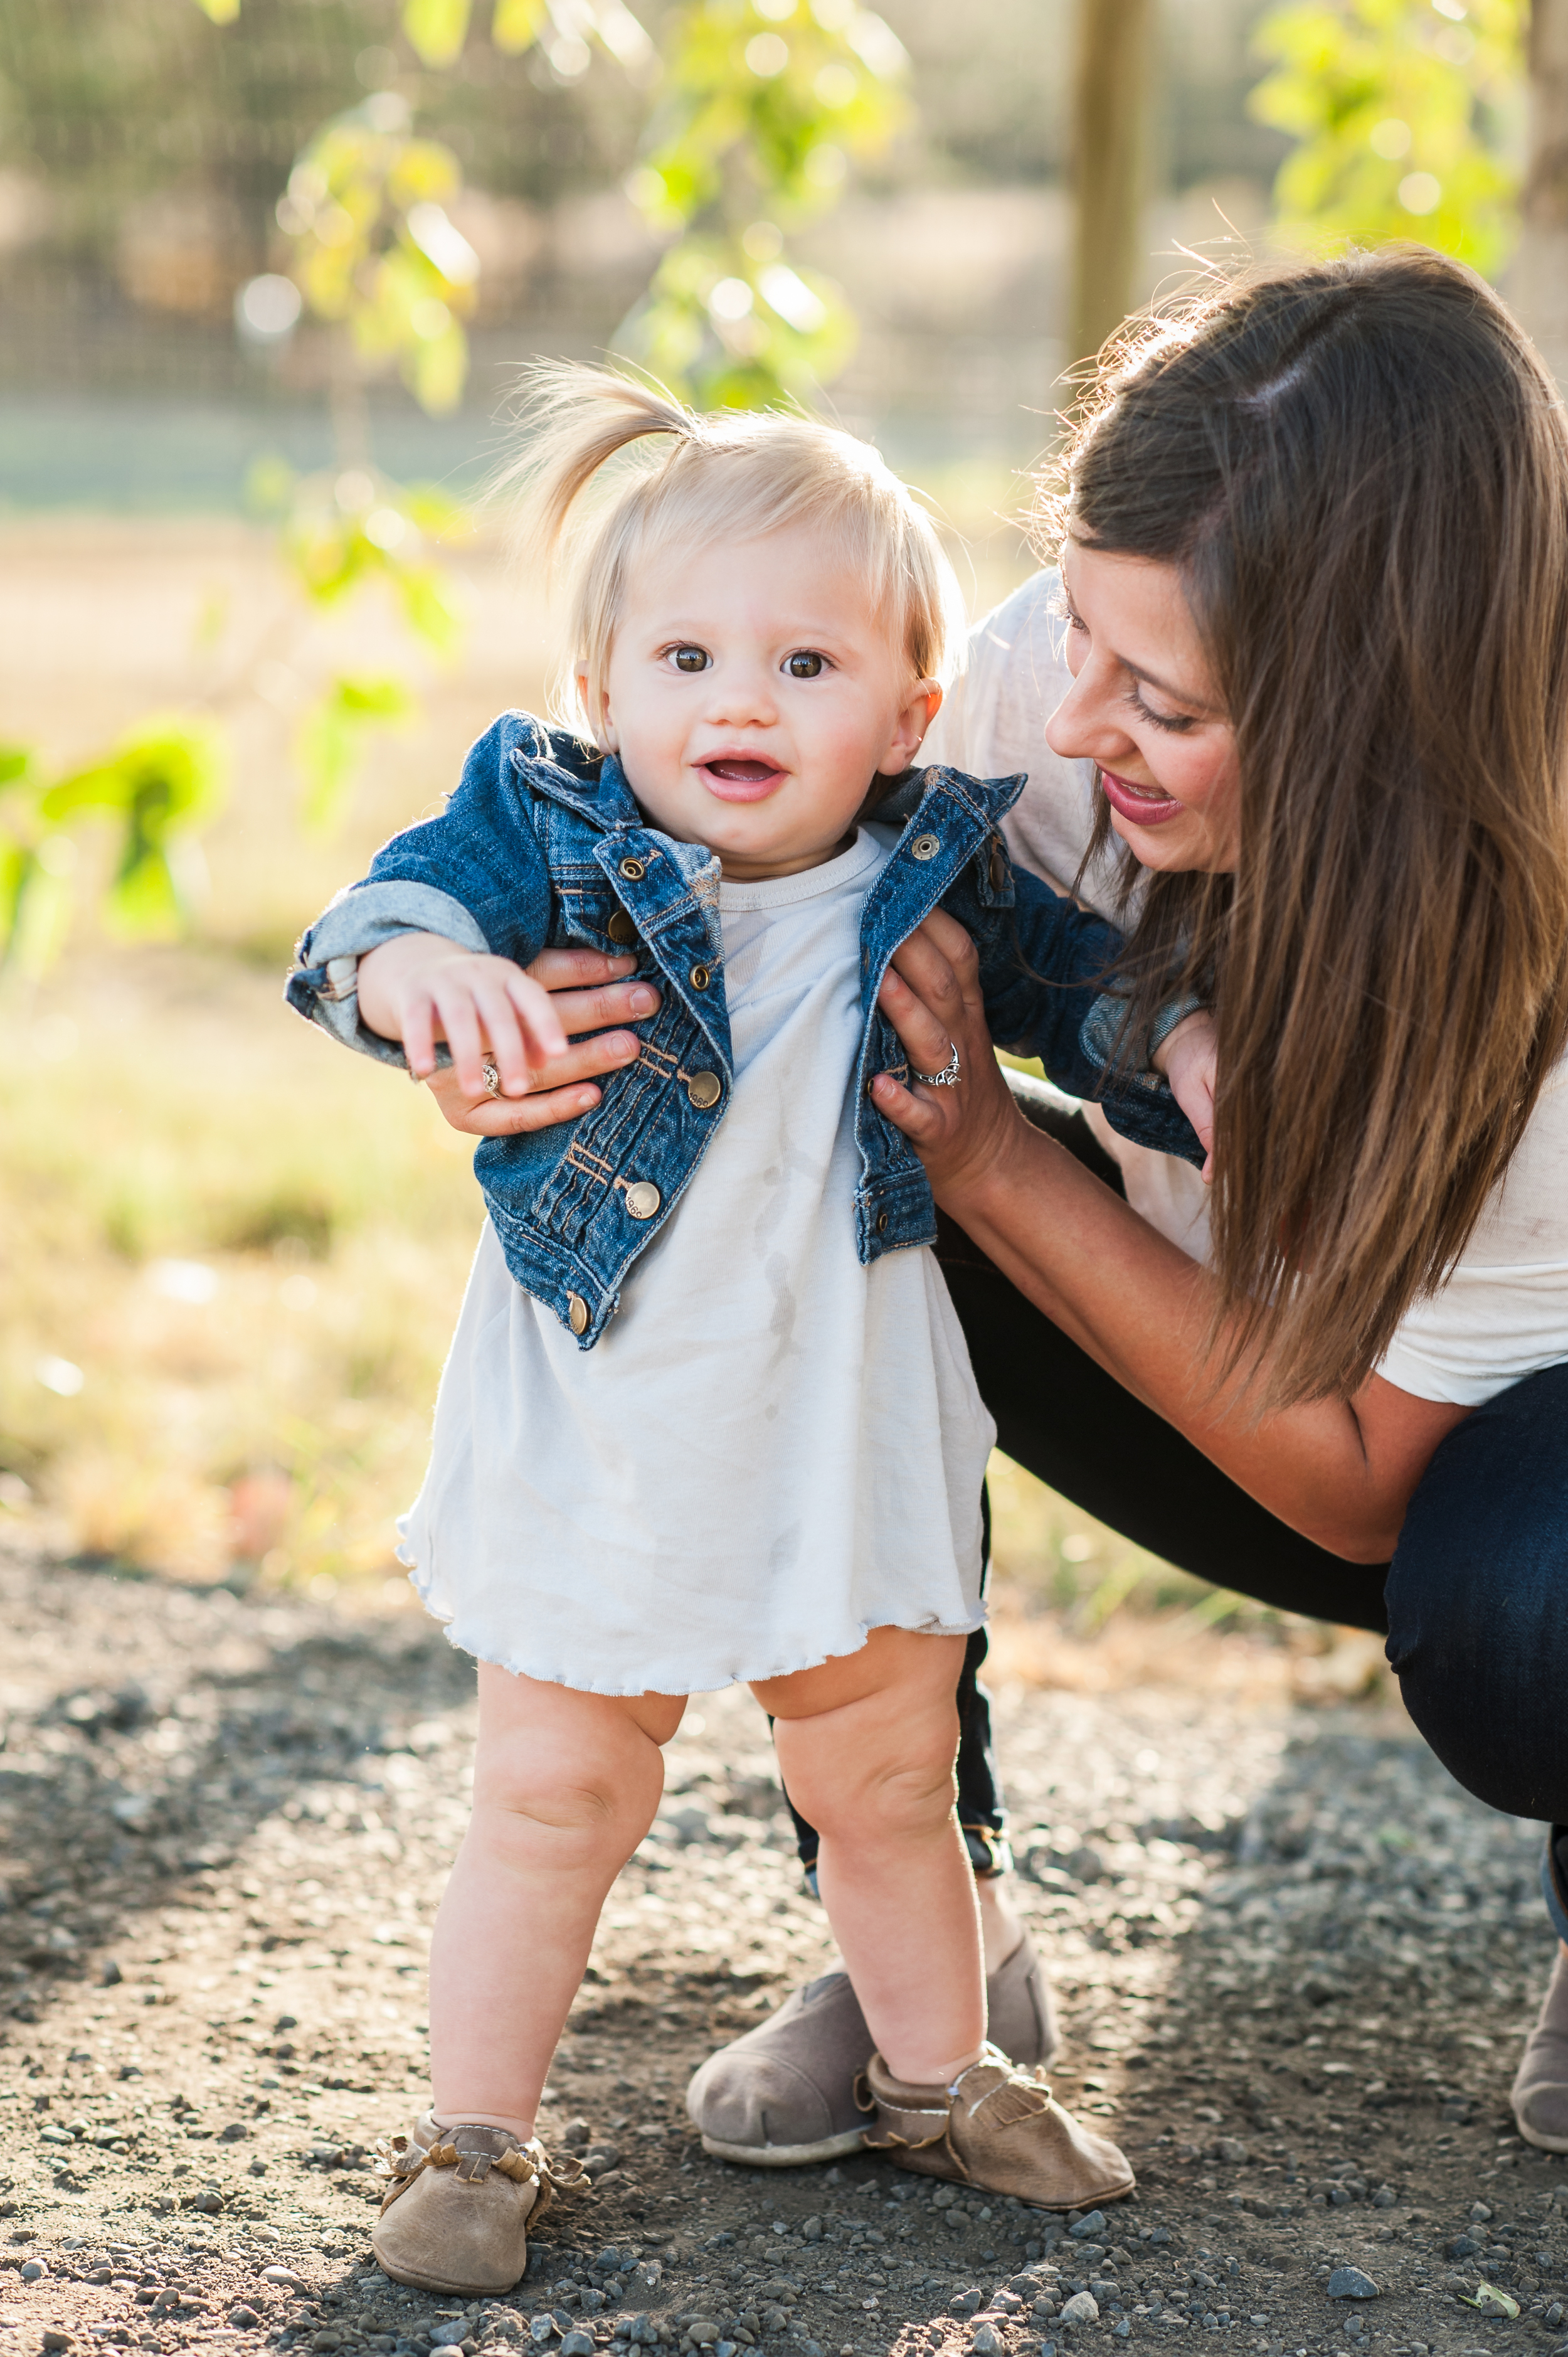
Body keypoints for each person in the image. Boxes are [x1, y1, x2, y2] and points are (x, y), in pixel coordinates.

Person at [438, 248, 1568, 2168]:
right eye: (1082, 651)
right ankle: (933, 1951)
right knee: (805, 1167)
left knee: (1524, 1617)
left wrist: (990, 1157)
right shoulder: (1057, 678)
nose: (1070, 725)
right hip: (1240, 1340)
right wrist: (507, 1002)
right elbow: (696, 870)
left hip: (1477, 1467)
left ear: (1366, 713)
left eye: (1163, 700)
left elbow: (1370, 1487)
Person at [285, 365, 1219, 2296]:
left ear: (908, 705)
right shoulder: (540, 834)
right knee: (555, 1789)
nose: (737, 700)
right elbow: (363, 925)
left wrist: (1185, 1046)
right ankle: (474, 2135)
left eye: (806, 666)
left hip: (849, 1417)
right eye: (687, 655)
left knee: (880, 1777)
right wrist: (423, 980)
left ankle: (941, 2075)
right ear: (601, 688)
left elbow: (1092, 997)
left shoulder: (942, 862)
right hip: (602, 1410)